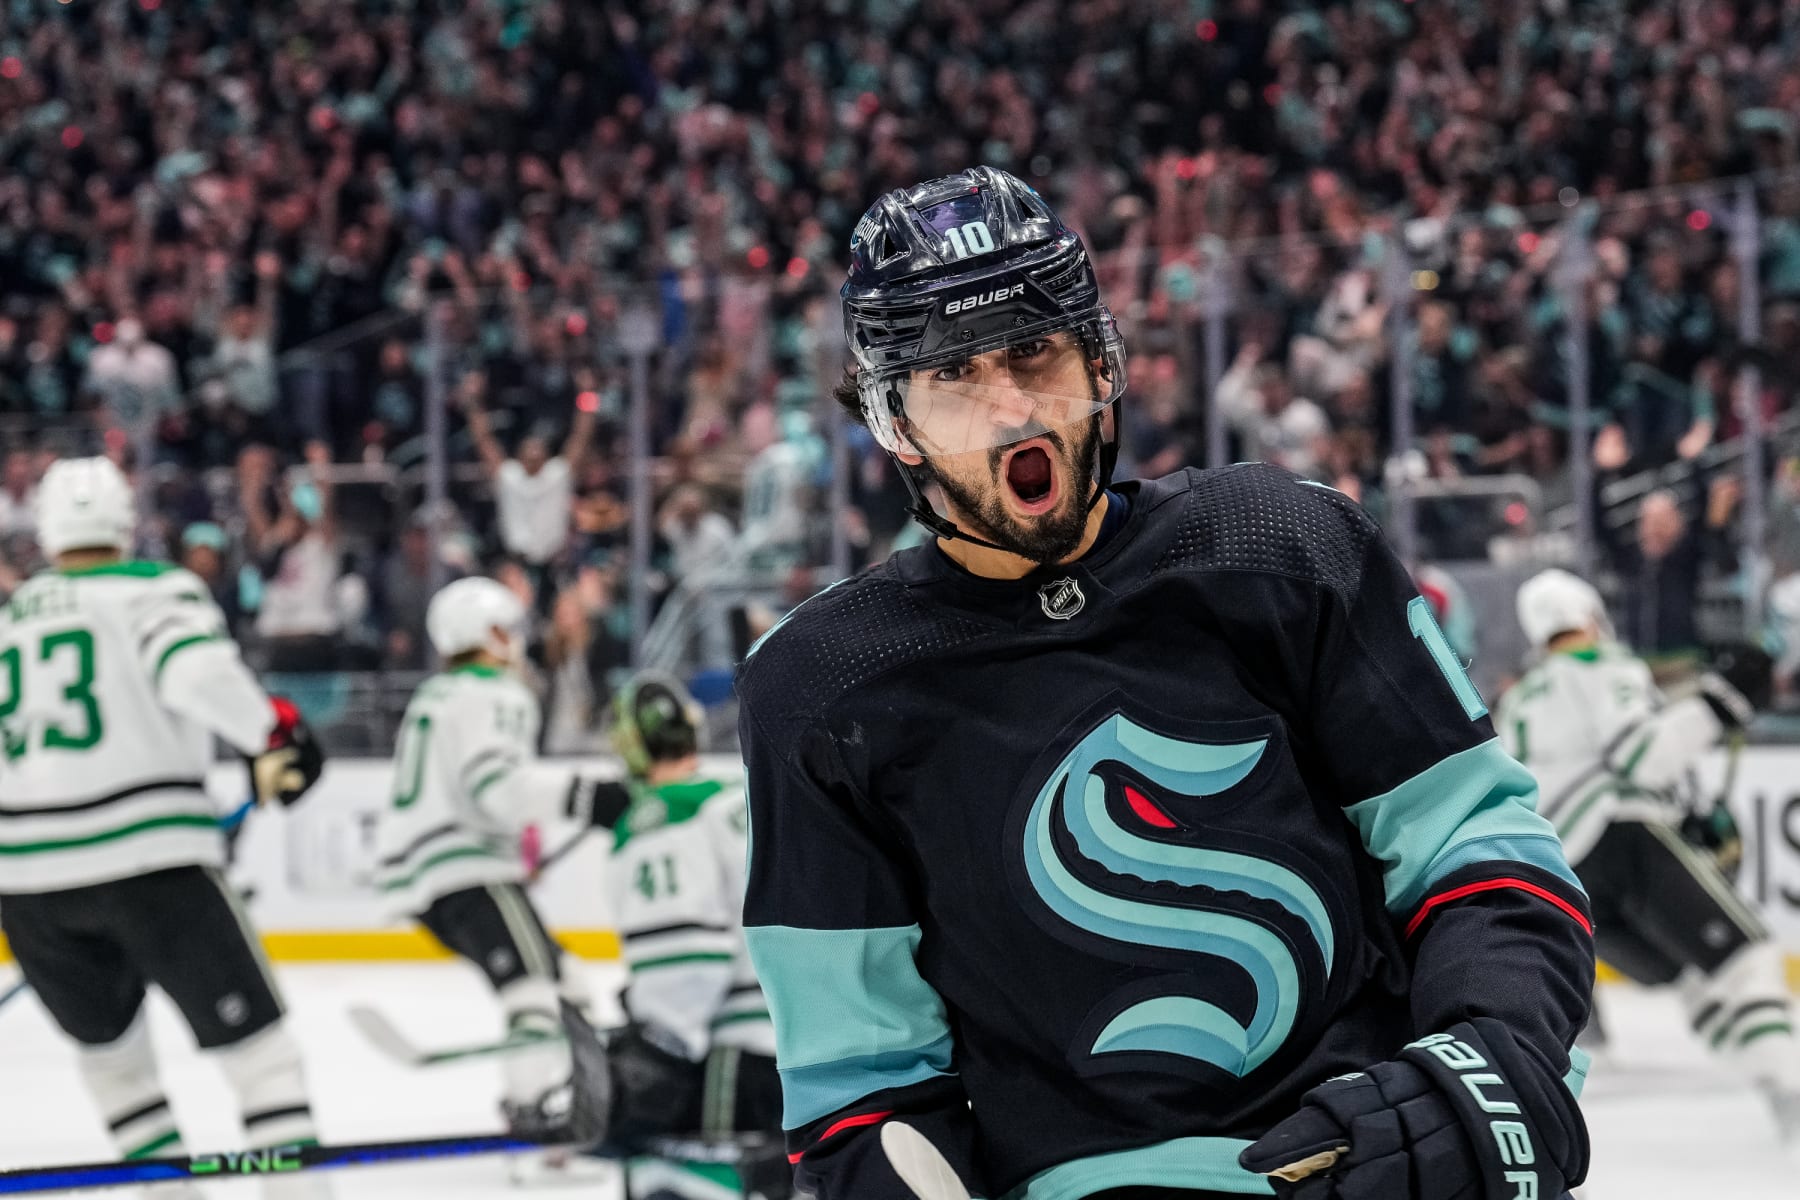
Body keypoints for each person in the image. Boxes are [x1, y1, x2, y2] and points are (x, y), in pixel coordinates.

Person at [735, 168, 1595, 1200]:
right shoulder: (823, 689)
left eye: (1033, 353)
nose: (1013, 410)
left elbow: (1478, 853)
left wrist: (1484, 1064)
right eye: (955, 375)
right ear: (894, 420)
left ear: (1100, 360)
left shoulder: (1284, 547)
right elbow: (859, 1085)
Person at [0, 457, 328, 1197]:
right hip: (151, 861)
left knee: (113, 1062)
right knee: (260, 1055)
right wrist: (273, 736)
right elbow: (194, 674)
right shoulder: (154, 588)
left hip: (24, 882)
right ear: (126, 522)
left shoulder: (7, 618)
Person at [1497, 569, 1800, 1152]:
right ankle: (1787, 1089)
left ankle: (1775, 1087)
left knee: (1693, 981)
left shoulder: (1519, 700)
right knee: (1746, 959)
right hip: (1618, 838)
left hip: (1558, 874)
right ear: (1588, 614)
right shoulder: (1600, 664)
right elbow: (1643, 757)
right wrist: (1722, 703)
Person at [371, 575, 615, 1164]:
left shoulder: (438, 694)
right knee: (534, 991)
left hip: (429, 872)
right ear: (491, 634)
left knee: (569, 984)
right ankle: (534, 1122)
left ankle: (567, 1109)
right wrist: (589, 795)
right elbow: (496, 788)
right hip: (466, 868)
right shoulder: (495, 693)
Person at [602, 671, 785, 1199]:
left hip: (738, 1058)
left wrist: (657, 1045)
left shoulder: (661, 817)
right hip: (805, 1043)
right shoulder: (742, 798)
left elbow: (686, 960)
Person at [462, 372, 598, 602]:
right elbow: (483, 439)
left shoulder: (558, 474)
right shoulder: (509, 476)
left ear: (546, 456)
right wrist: (472, 401)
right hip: (518, 562)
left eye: (539, 449)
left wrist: (589, 394)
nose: (534, 453)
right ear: (519, 456)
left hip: (556, 563)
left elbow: (581, 436)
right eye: (529, 449)